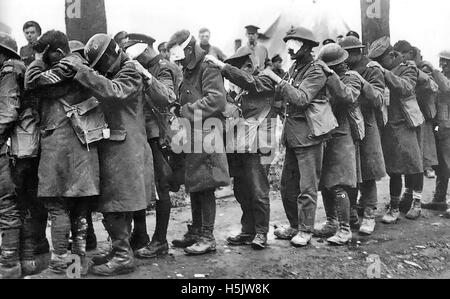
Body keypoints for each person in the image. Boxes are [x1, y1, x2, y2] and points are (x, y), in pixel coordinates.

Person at [61, 33, 153, 276]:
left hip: (126, 148)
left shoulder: (131, 70)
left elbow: (114, 92)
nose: (101, 67)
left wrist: (82, 70)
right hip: (117, 146)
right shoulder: (117, 71)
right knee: (115, 203)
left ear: (113, 52)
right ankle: (119, 249)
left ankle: (123, 256)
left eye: (102, 61)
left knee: (116, 203)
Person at [25, 30, 101, 275]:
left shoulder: (66, 65)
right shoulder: (78, 66)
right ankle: (78, 260)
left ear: (56, 52)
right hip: (81, 145)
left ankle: (61, 258)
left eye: (47, 55)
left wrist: (37, 58)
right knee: (79, 205)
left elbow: (31, 81)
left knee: (57, 205)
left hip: (59, 145)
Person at [205, 48, 277, 250]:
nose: (236, 71)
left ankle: (261, 232)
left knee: (258, 190)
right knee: (241, 190)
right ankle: (248, 231)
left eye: (240, 66)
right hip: (239, 144)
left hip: (260, 144)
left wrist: (222, 67)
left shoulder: (264, 79)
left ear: (248, 66)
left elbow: (249, 82)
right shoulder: (236, 91)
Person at [167, 30, 229, 255]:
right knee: (194, 184)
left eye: (181, 55)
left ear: (189, 49)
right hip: (193, 134)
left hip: (207, 133)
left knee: (206, 186)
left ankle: (208, 237)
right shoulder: (189, 68)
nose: (180, 60)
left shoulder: (207, 66)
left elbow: (216, 100)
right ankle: (195, 231)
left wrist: (184, 110)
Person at [269, 26, 329, 247]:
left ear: (307, 47)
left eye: (294, 46)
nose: (290, 51)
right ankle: (295, 225)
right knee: (287, 186)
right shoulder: (294, 67)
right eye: (288, 46)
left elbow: (302, 98)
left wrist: (279, 82)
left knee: (307, 187)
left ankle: (305, 230)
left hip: (309, 137)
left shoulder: (316, 70)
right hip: (292, 137)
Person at [123, 33, 178, 258]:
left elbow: (167, 98)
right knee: (141, 184)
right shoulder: (145, 66)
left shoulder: (163, 68)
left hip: (159, 136)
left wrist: (145, 75)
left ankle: (160, 240)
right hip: (143, 134)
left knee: (160, 186)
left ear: (144, 51)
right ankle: (141, 234)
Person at [368, 37, 424, 224]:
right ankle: (394, 207)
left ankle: (417, 202)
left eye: (381, 60)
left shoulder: (408, 68)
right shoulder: (382, 70)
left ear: (391, 55)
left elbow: (406, 88)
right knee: (394, 169)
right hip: (389, 125)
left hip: (407, 123)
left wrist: (384, 72)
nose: (378, 64)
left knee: (414, 164)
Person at [336, 36, 386, 236]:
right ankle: (353, 215)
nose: (344, 59)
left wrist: (362, 83)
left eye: (347, 54)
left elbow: (379, 98)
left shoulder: (372, 69)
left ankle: (369, 213)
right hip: (348, 126)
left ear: (357, 52)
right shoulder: (342, 70)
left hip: (368, 123)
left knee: (368, 171)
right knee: (351, 173)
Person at [0, 32, 40, 279]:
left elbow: (6, 112)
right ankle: (24, 259)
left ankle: (9, 263)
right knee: (20, 205)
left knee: (7, 205)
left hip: (13, 150)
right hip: (22, 149)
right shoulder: (16, 69)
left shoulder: (9, 71)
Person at [316, 43, 365, 245]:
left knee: (339, 183)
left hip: (343, 136)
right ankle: (332, 222)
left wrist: (330, 76)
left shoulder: (352, 77)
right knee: (326, 184)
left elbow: (348, 96)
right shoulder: (326, 78)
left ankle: (345, 229)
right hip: (326, 135)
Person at [393, 40, 438, 214]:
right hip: (406, 121)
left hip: (420, 121)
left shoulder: (421, 70)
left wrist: (418, 72)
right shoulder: (400, 70)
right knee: (407, 161)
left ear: (410, 54)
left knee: (417, 161)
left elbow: (433, 87)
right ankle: (408, 194)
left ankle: (417, 202)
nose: (401, 59)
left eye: (403, 55)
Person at [67, 40, 98, 252]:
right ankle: (88, 238)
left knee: (82, 196)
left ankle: (85, 243)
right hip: (81, 141)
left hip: (87, 141)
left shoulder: (86, 76)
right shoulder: (81, 76)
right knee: (80, 197)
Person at [422, 50, 450, 213]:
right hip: (440, 127)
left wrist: (433, 71)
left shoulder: (442, 78)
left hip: (447, 127)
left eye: (447, 61)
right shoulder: (440, 77)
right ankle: (439, 199)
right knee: (441, 166)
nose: (444, 64)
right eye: (442, 61)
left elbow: (446, 89)